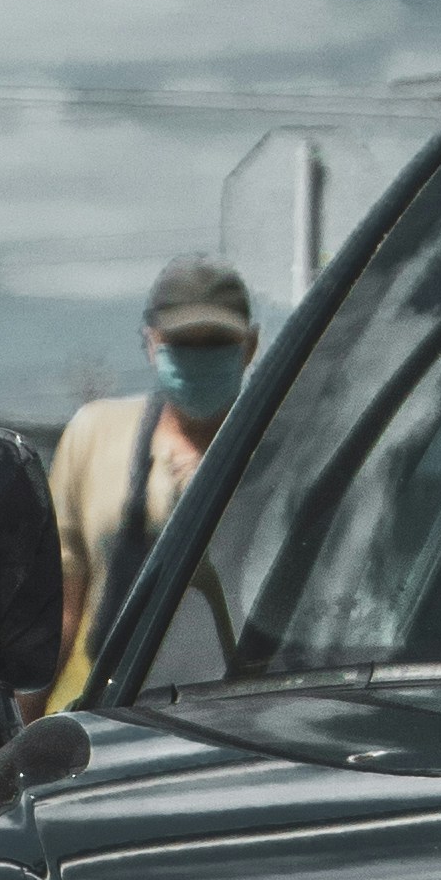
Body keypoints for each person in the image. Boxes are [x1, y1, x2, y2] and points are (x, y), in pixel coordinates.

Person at [48, 257, 260, 675]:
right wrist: (16, 732)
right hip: (122, 701)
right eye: (183, 343)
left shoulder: (282, 451)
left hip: (245, 704)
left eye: (216, 342)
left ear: (250, 346)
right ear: (150, 342)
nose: (199, 357)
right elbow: (58, 613)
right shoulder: (95, 434)